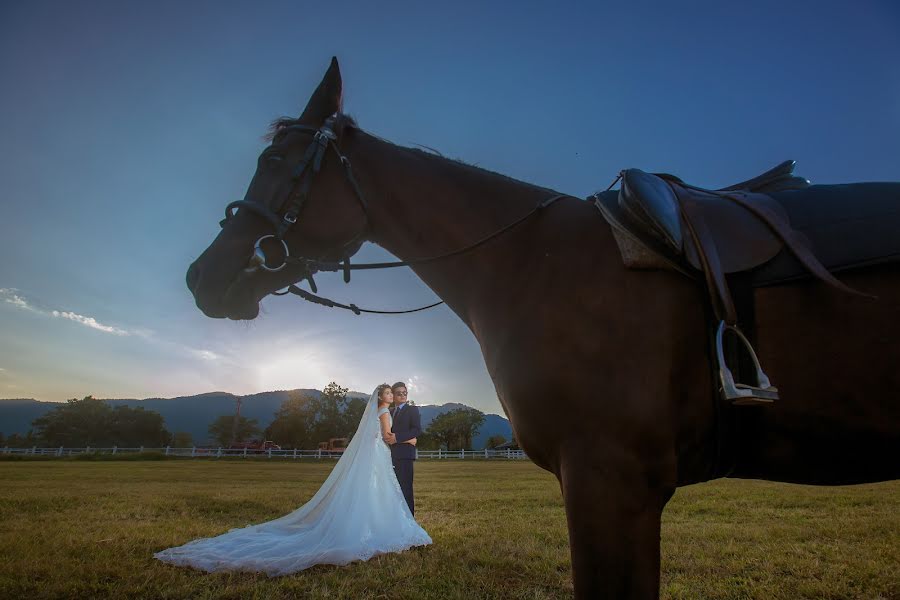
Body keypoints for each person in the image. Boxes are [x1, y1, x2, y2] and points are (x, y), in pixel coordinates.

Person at [153, 384, 431, 575]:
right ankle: (385, 525)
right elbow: (386, 437)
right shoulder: (384, 413)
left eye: (392, 394)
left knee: (376, 491)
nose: (391, 397)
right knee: (382, 491)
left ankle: (377, 522)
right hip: (381, 452)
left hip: (376, 454)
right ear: (382, 398)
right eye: (387, 393)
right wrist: (403, 439)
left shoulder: (378, 411)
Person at [385, 382, 421, 515]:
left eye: (405, 392)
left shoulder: (412, 410)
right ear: (393, 395)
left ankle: (410, 522)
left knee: (405, 489)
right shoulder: (389, 412)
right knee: (392, 490)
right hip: (389, 455)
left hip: (405, 455)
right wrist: (409, 440)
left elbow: (417, 430)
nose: (402, 395)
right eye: (399, 393)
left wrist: (398, 438)